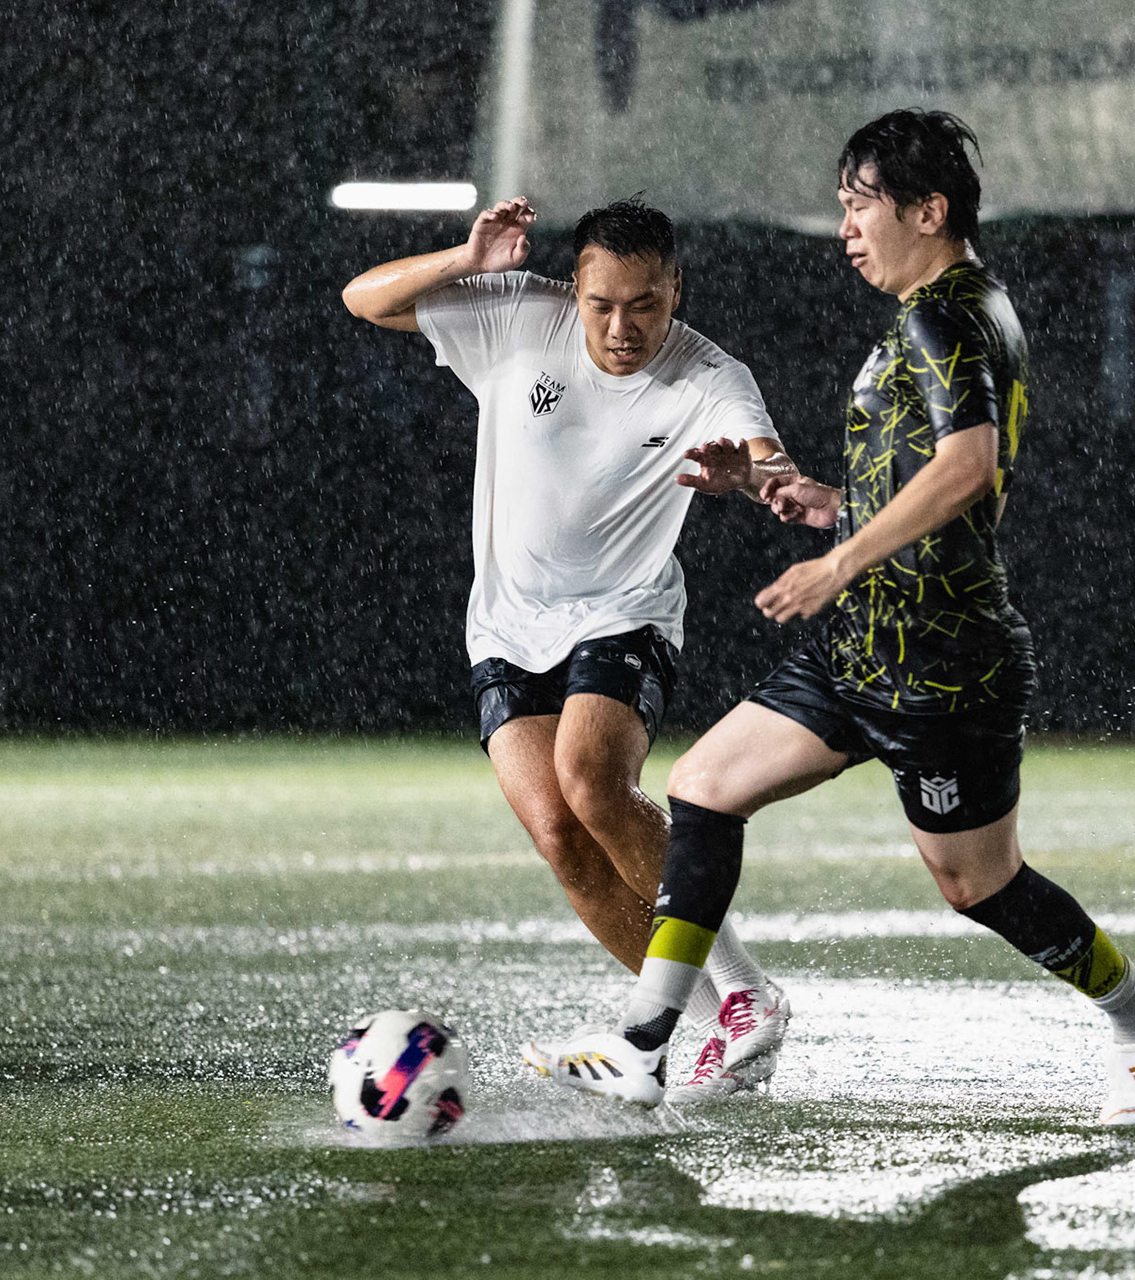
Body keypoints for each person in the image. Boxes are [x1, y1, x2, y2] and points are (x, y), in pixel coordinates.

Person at [522, 110, 1135, 1124]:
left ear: (928, 210)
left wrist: (837, 559)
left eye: (860, 203)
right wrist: (813, 499)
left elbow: (970, 471)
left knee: (979, 885)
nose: (845, 225)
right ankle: (646, 1039)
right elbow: (931, 475)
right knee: (704, 787)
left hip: (941, 659)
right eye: (842, 204)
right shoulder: (953, 307)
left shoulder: (946, 316)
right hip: (862, 644)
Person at [341, 197, 795, 1097]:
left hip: (623, 614)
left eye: (646, 305)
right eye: (603, 304)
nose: (623, 328)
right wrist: (466, 258)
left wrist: (758, 476)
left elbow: (772, 463)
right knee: (561, 836)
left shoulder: (710, 373)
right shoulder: (520, 314)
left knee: (594, 782)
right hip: (506, 626)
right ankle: (707, 1031)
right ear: (573, 288)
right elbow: (365, 299)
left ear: (676, 291)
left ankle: (747, 993)